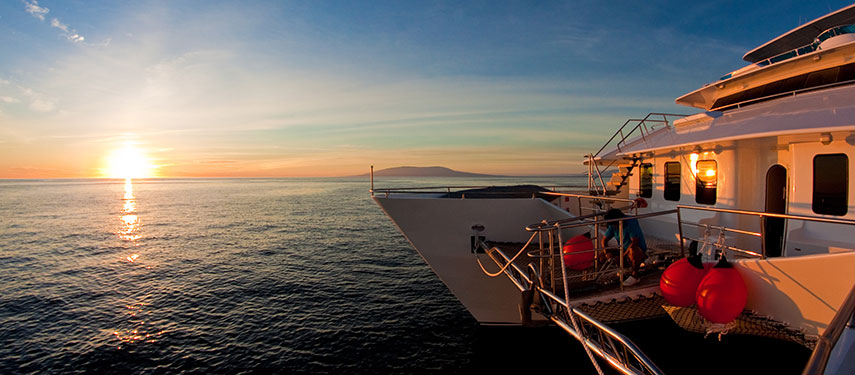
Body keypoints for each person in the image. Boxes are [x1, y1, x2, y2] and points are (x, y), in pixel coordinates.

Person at [600, 209, 647, 286]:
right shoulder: (613, 225)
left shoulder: (630, 222)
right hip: (622, 249)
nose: (613, 225)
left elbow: (634, 242)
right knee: (601, 257)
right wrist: (606, 252)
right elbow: (604, 240)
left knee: (633, 251)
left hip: (636, 250)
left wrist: (622, 256)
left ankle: (635, 276)